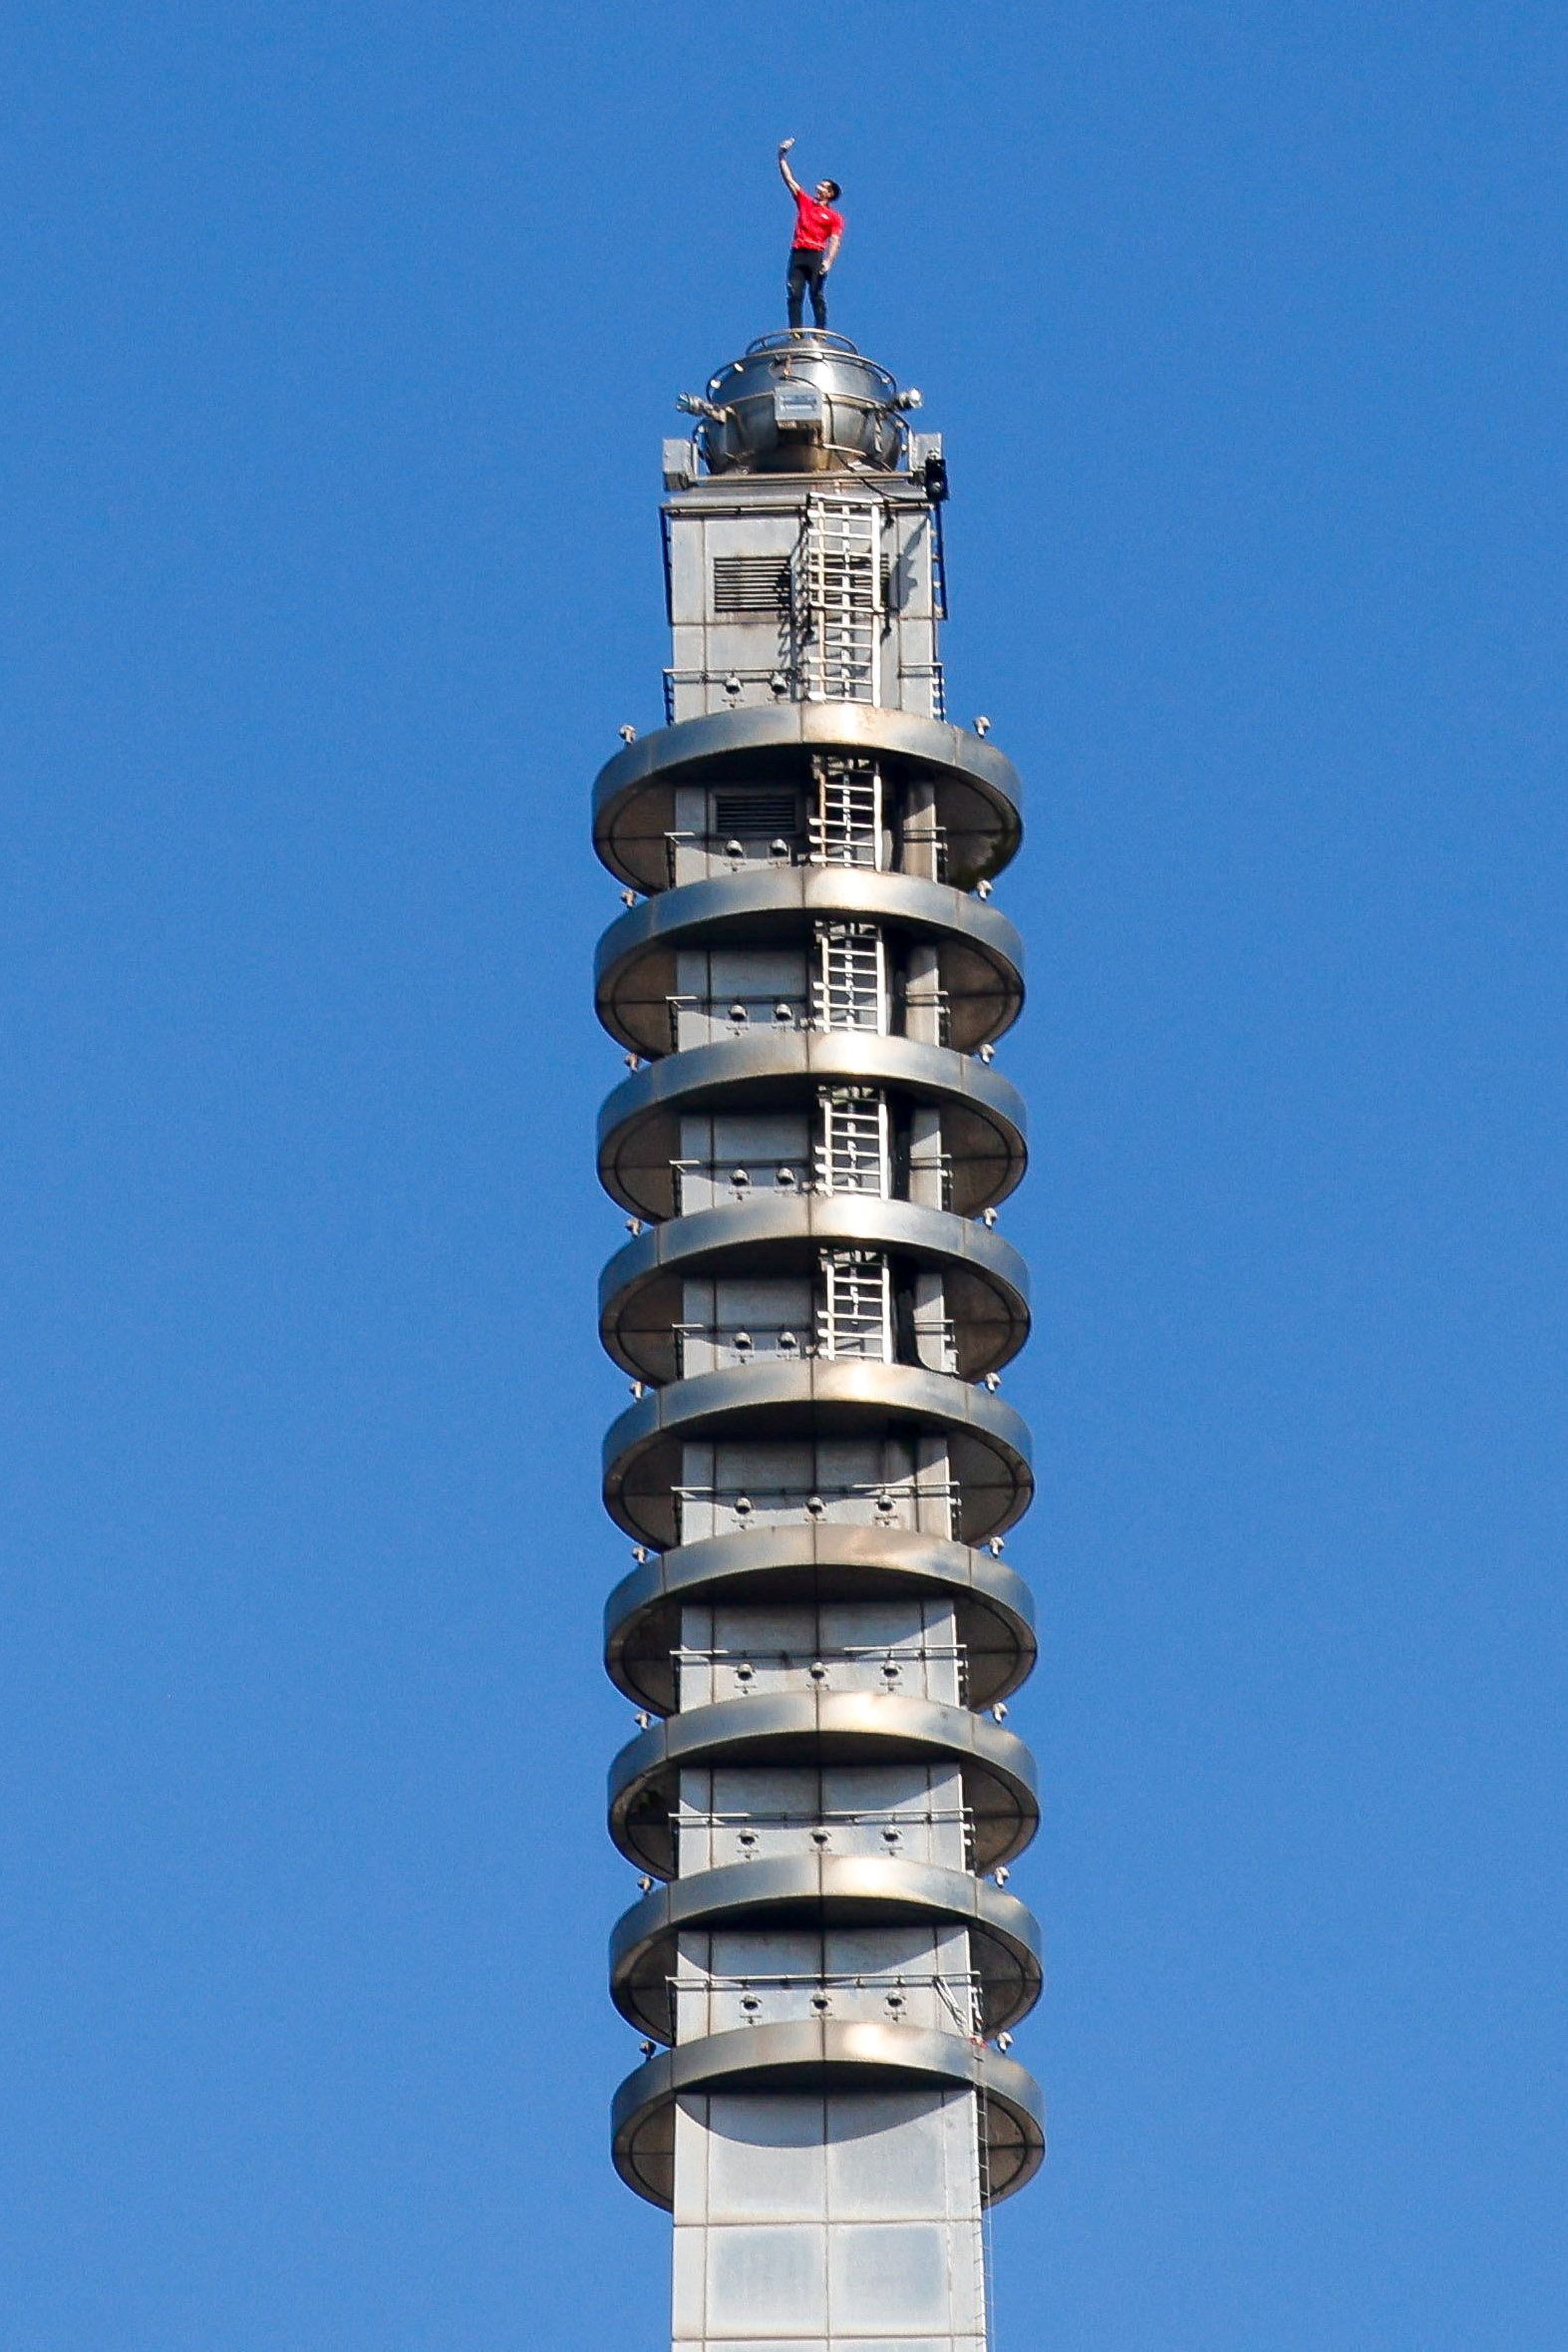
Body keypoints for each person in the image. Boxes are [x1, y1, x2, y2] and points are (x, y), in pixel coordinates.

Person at [778, 138, 843, 331]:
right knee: (794, 293)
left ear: (829, 193)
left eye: (823, 186)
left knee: (816, 294)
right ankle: (796, 331)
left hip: (815, 255)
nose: (818, 187)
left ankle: (820, 331)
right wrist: (781, 156)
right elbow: (790, 181)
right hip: (798, 252)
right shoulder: (806, 202)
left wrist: (828, 261)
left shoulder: (834, 217)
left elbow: (835, 240)